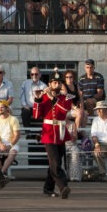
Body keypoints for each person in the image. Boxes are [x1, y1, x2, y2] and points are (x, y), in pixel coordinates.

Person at [34, 71, 72, 199]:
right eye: (54, 82)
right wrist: (38, 100)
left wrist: (53, 98)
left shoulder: (65, 97)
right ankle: (63, 186)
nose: (57, 85)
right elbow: (36, 115)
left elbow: (64, 110)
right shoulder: (44, 97)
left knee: (56, 162)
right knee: (55, 161)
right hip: (48, 133)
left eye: (59, 82)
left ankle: (48, 187)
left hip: (60, 132)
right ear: (50, 84)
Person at [0, 100, 20, 177]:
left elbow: (17, 135)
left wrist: (10, 145)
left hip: (12, 142)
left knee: (13, 153)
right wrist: (0, 144)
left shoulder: (14, 119)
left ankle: (1, 172)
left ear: (7, 108)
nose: (0, 109)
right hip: (0, 142)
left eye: (2, 107)